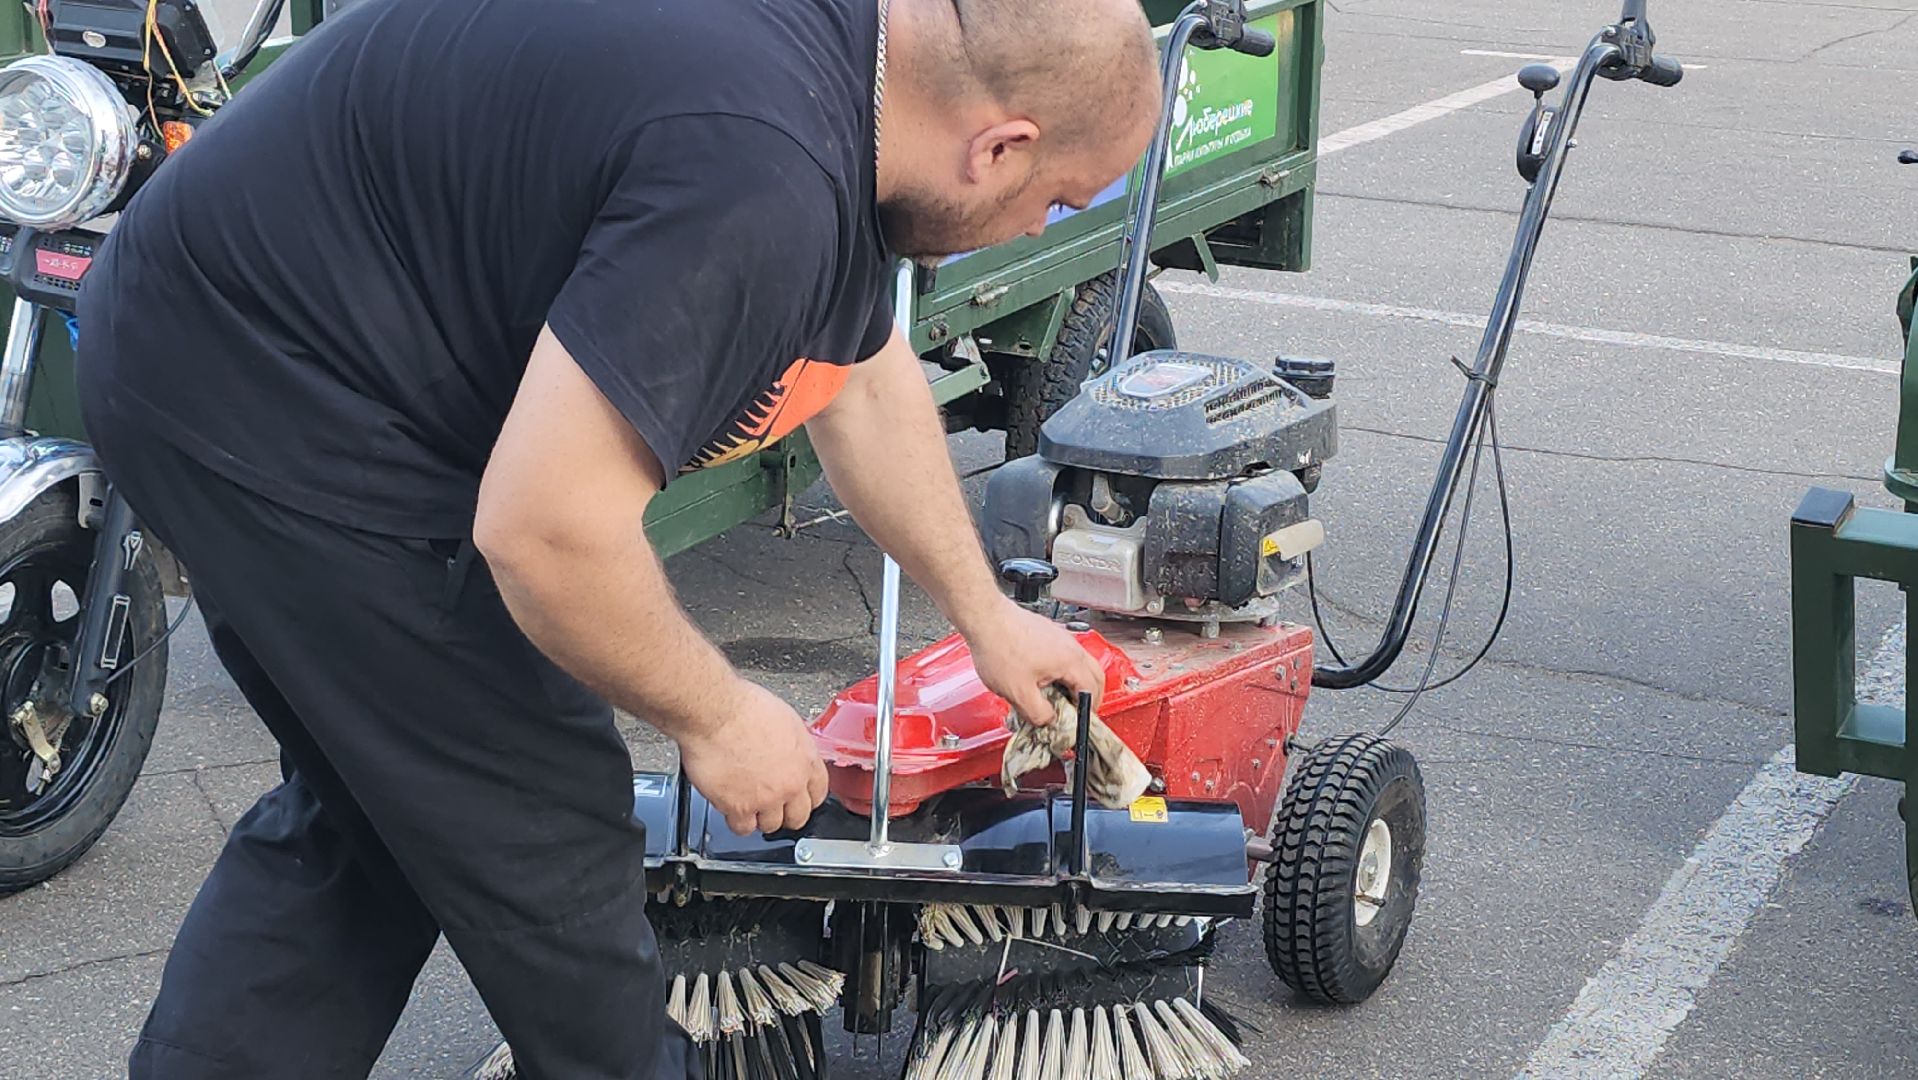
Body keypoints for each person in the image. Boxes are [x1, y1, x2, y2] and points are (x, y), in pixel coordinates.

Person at [75, 0, 1160, 1075]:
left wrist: (986, 620)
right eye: (1057, 201)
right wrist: (719, 713)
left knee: (384, 806)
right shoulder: (764, 169)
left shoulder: (841, 79)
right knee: (544, 832)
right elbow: (545, 533)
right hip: (274, 390)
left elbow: (861, 384)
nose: (1040, 230)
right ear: (998, 145)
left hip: (214, 328)